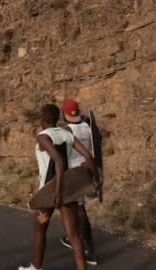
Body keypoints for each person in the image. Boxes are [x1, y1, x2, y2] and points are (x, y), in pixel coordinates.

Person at [19, 104, 102, 270]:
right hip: (68, 189)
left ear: (42, 119)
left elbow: (58, 160)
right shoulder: (67, 133)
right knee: (73, 235)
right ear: (57, 118)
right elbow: (88, 156)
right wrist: (96, 178)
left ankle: (36, 267)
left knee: (40, 229)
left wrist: (56, 192)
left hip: (50, 191)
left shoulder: (43, 136)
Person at [58, 99, 100, 265]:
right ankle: (73, 238)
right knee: (78, 210)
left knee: (79, 211)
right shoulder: (86, 126)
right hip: (87, 172)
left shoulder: (67, 130)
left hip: (73, 175)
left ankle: (88, 250)